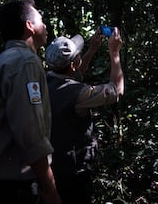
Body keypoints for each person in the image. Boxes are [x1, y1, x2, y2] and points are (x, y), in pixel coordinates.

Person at [0, 0, 61, 204]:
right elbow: (31, 135)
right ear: (30, 26)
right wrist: (50, 191)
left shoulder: (0, 62)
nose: (45, 25)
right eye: (41, 20)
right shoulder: (25, 63)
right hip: (11, 191)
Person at [45, 27, 124, 204]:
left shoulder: (44, 82)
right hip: (72, 170)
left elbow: (74, 75)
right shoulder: (78, 94)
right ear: (73, 64)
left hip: (49, 166)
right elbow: (116, 91)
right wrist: (114, 52)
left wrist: (92, 50)